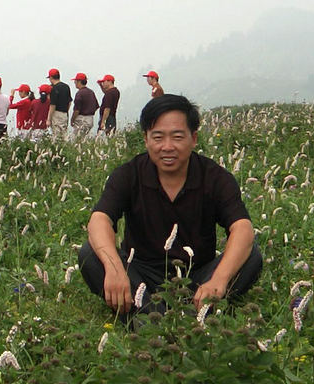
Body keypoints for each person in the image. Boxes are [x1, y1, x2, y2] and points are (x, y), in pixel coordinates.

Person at [79, 94, 262, 321]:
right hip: (140, 276)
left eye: (177, 137)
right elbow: (100, 219)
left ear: (193, 138)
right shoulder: (129, 174)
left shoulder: (214, 177)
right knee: (90, 254)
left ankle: (155, 317)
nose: (167, 147)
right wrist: (115, 268)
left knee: (251, 256)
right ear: (146, 139)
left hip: (196, 277)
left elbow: (242, 228)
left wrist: (219, 280)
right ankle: (169, 318)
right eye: (158, 137)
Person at [46, 68, 72, 140]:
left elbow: (52, 105)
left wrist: (49, 119)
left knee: (56, 136)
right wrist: (66, 111)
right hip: (64, 114)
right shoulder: (66, 87)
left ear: (51, 77)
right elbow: (69, 102)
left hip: (56, 114)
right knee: (64, 135)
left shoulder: (53, 88)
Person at [70, 73, 99, 137]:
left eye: (75, 81)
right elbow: (96, 106)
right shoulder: (91, 92)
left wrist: (72, 120)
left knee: (77, 138)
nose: (74, 83)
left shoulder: (79, 93)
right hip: (90, 119)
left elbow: (77, 110)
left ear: (79, 82)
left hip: (81, 120)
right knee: (84, 138)